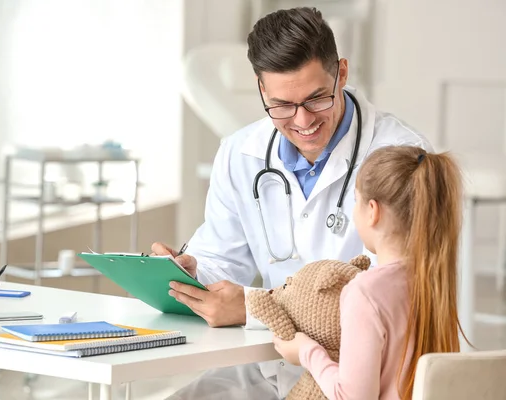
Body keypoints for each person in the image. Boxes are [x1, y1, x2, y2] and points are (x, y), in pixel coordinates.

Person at [152, 7, 433, 400]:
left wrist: (254, 308)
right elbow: (222, 258)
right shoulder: (239, 154)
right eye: (282, 105)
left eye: (317, 99)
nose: (302, 120)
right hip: (269, 365)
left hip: (362, 376)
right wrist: (192, 273)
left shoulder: (400, 156)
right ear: (261, 90)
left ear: (342, 74)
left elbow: (400, 296)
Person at [273, 145, 471, 399]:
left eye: (356, 202)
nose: (354, 213)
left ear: (373, 211)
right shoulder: (436, 279)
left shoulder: (364, 292)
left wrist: (306, 352)